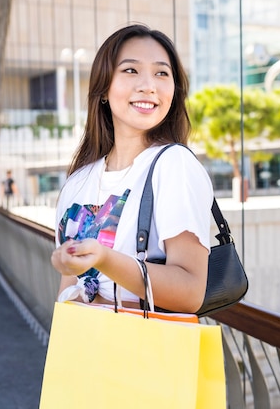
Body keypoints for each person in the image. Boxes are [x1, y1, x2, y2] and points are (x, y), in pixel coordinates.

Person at [51, 24, 213, 314]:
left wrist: (104, 258)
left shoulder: (174, 164)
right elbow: (68, 291)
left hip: (146, 354)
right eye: (131, 70)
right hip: (83, 352)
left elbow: (191, 291)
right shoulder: (78, 181)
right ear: (103, 89)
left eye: (162, 73)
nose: (149, 85)